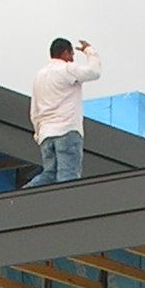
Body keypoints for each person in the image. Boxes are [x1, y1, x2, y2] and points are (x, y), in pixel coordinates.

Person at [29, 36, 99, 185]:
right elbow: (94, 72)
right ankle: (67, 207)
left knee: (49, 175)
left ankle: (21, 197)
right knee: (68, 178)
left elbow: (34, 111)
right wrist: (89, 51)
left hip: (46, 134)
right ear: (65, 53)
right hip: (67, 131)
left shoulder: (39, 76)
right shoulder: (67, 69)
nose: (73, 59)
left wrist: (38, 132)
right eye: (72, 54)